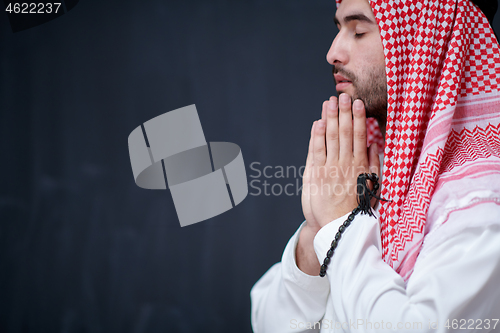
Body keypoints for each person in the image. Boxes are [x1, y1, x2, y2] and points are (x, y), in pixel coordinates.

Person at [250, 0, 500, 332]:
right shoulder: (372, 172)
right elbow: (269, 321)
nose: (333, 53)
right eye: (339, 28)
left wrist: (340, 226)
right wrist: (314, 237)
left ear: (424, 43)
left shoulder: (482, 205)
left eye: (359, 30)